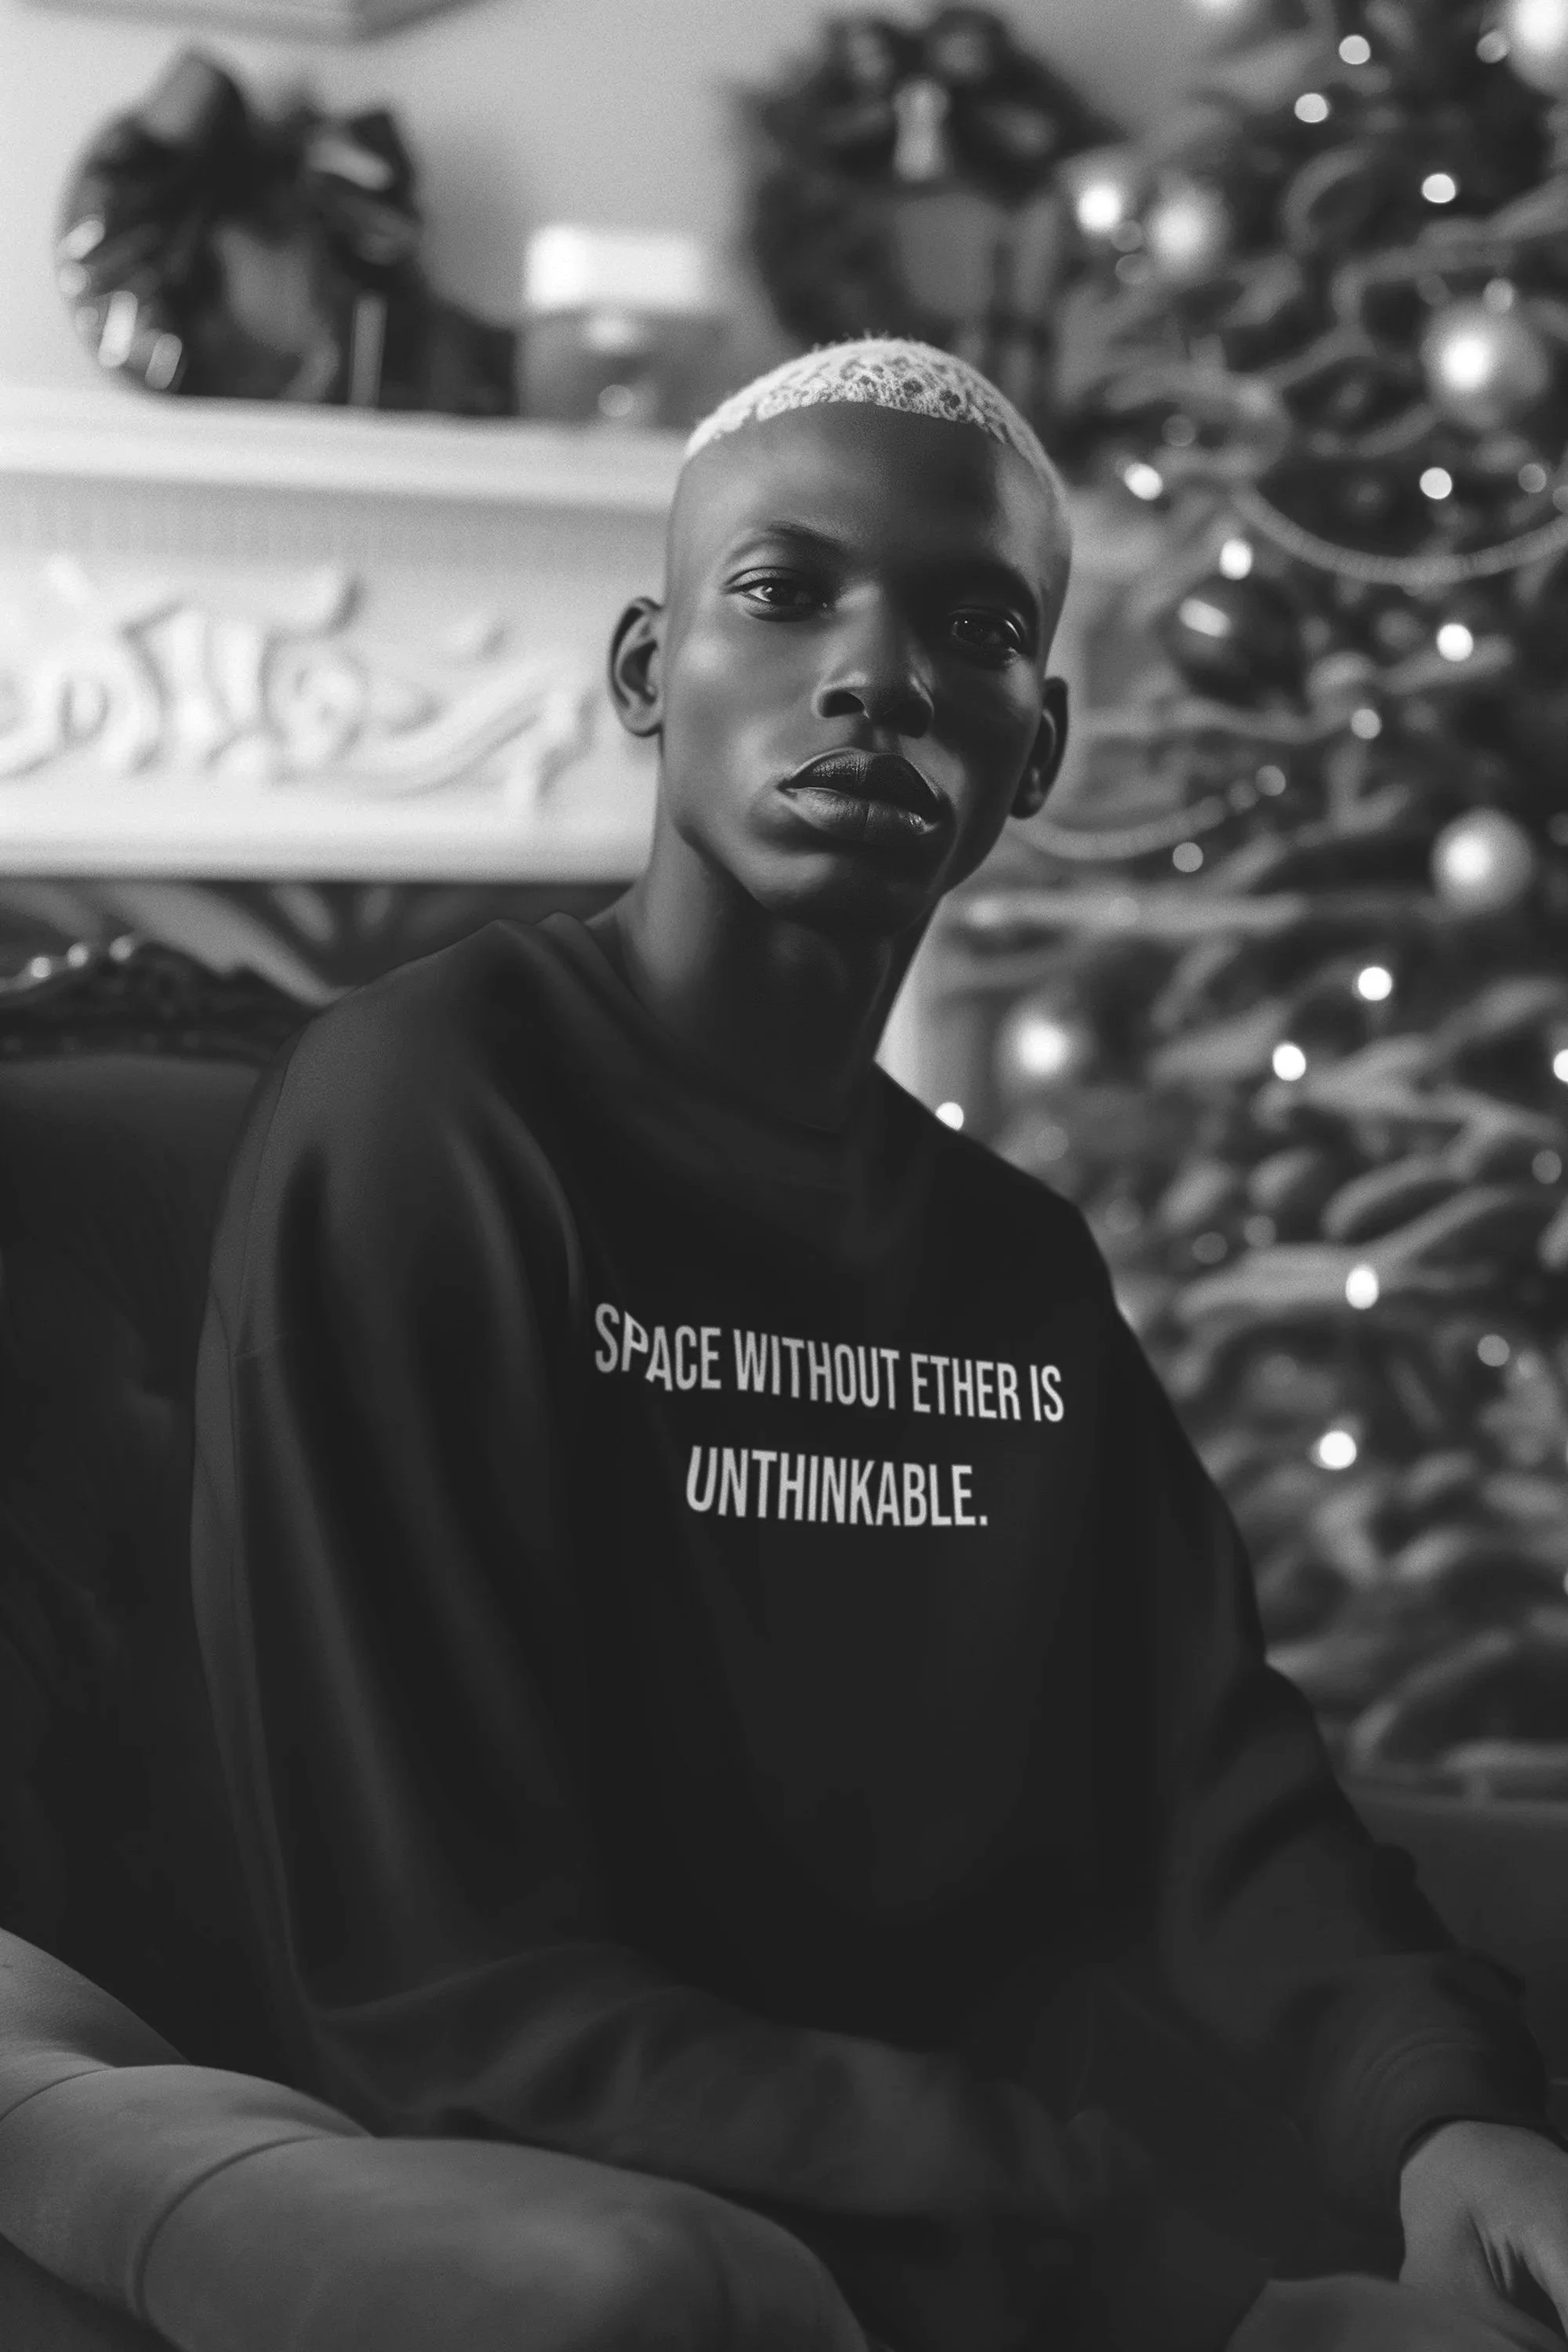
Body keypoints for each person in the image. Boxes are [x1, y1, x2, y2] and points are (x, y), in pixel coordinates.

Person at [191, 336, 1568, 2352]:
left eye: (973, 625)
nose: (877, 673)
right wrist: (1206, 2297)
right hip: (721, 2260)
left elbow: (1216, 1806)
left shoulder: (1015, 1266)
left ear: (1036, 750)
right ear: (649, 670)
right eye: (784, 591)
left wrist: (1453, 2131)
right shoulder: (423, 1124)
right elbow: (445, 1987)